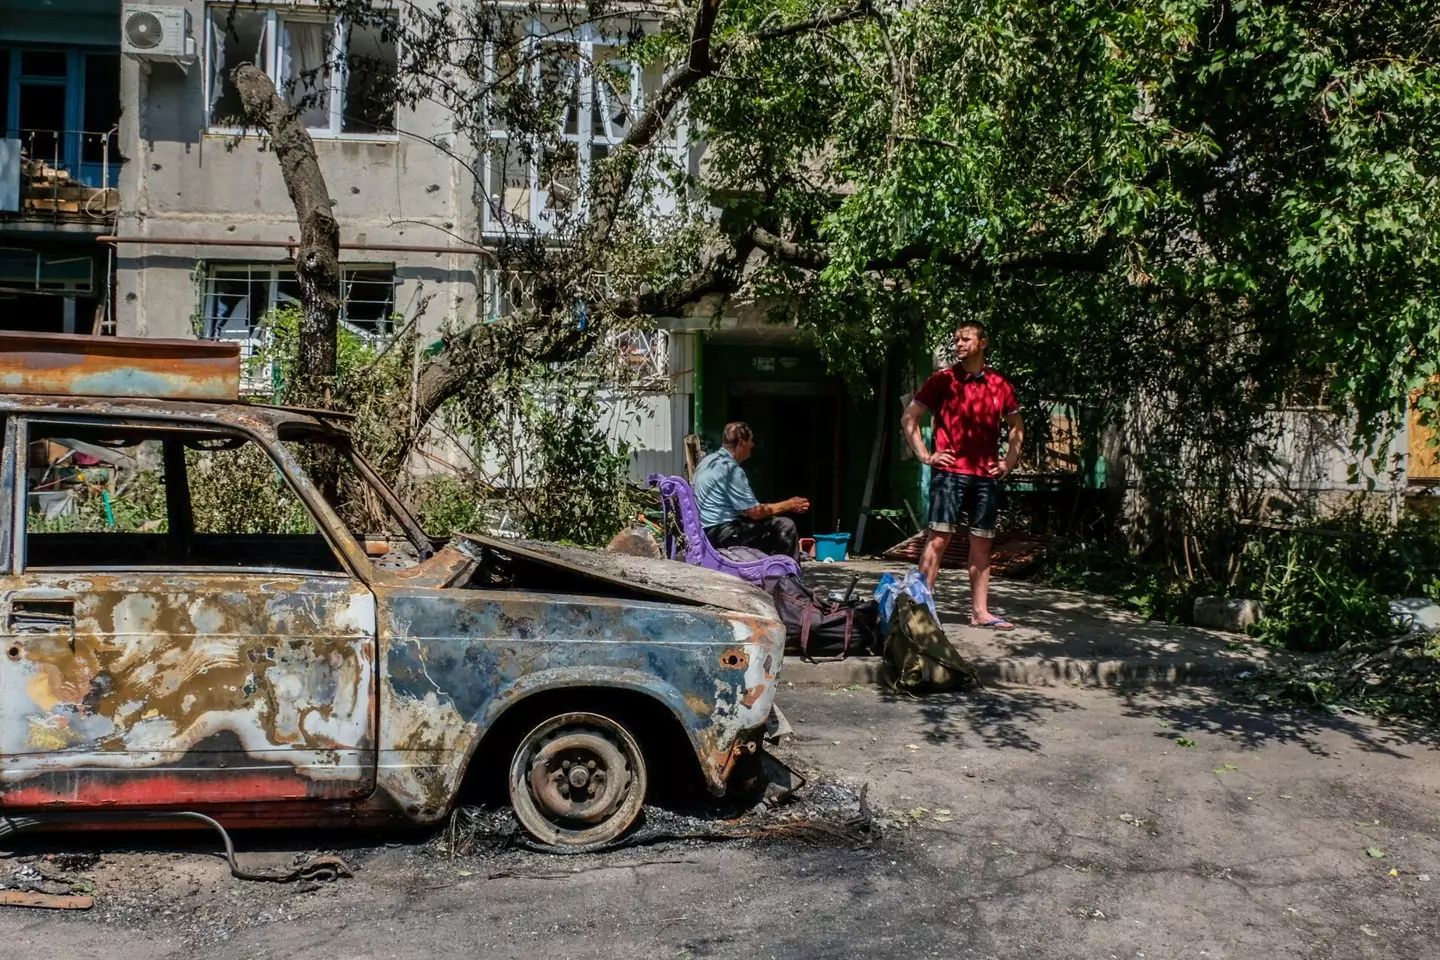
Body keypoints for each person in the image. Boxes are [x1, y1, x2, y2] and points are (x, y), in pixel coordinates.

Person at [901, 321, 1024, 629]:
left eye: (965, 339)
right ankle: (921, 608)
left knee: (982, 543)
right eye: (956, 339)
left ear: (983, 343)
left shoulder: (1000, 385)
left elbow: (1016, 428)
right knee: (939, 539)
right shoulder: (942, 380)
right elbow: (910, 418)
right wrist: (925, 456)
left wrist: (1008, 462)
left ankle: (980, 613)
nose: (958, 344)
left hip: (985, 477)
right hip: (949, 474)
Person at [691, 422, 810, 560]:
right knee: (785, 526)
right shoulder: (731, 470)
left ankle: (774, 569)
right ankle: (787, 576)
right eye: (751, 440)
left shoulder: (707, 461)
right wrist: (789, 504)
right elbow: (756, 513)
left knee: (767, 525)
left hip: (708, 531)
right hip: (723, 534)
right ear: (741, 442)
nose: (753, 445)